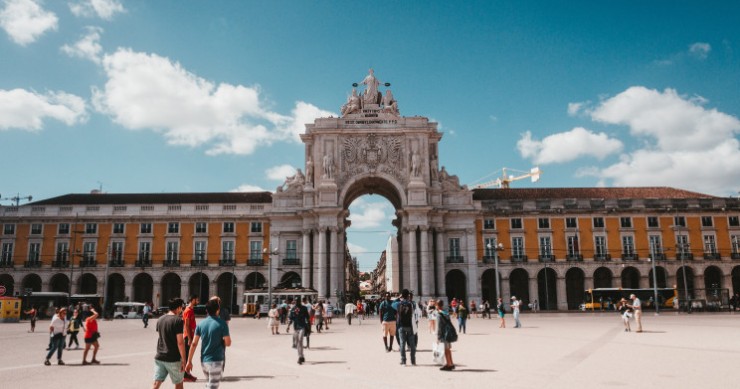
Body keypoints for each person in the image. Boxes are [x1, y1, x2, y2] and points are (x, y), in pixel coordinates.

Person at [185, 298, 231, 388]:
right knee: (213, 386)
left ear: (206, 310)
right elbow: (228, 343)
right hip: (217, 360)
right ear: (218, 310)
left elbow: (194, 344)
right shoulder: (222, 324)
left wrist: (189, 361)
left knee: (211, 384)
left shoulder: (200, 324)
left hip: (204, 361)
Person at [153, 298, 186, 389]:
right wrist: (184, 359)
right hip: (173, 358)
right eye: (182, 308)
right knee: (179, 384)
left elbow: (161, 336)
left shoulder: (160, 319)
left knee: (156, 383)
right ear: (179, 308)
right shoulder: (178, 320)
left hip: (160, 356)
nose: (182, 310)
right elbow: (180, 342)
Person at [394, 289, 416, 366]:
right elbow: (413, 313)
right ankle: (413, 361)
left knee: (402, 343)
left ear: (402, 295)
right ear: (408, 295)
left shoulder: (398, 304)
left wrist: (399, 297)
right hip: (409, 325)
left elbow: (392, 303)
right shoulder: (411, 304)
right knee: (412, 344)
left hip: (401, 325)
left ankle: (403, 361)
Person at [289, 297, 310, 365]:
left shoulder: (304, 308)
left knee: (300, 340)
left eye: (298, 300)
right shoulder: (293, 309)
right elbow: (291, 318)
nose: (297, 302)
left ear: (300, 301)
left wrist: (309, 328)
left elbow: (307, 318)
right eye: (296, 300)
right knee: (298, 342)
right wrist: (288, 326)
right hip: (296, 327)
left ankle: (300, 357)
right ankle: (301, 355)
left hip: (302, 326)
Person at [436, 300, 455, 371]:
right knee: (448, 349)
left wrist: (438, 337)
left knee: (446, 350)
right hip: (448, 333)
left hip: (444, 334)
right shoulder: (446, 312)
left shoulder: (439, 314)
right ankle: (451, 363)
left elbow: (440, 326)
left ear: (437, 305)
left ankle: (448, 364)